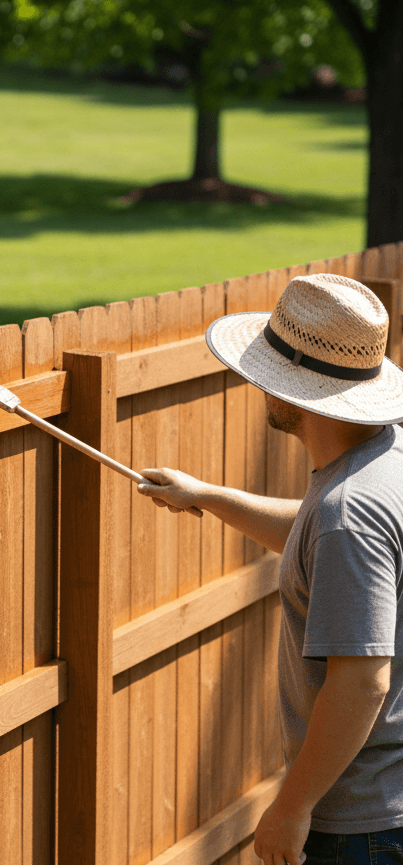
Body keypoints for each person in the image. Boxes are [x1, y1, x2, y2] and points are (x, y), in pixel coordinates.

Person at [136, 273, 403, 865]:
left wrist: (292, 807)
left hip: (362, 827)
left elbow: (362, 682)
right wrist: (207, 495)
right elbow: (320, 544)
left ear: (294, 391)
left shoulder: (346, 513)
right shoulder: (386, 460)